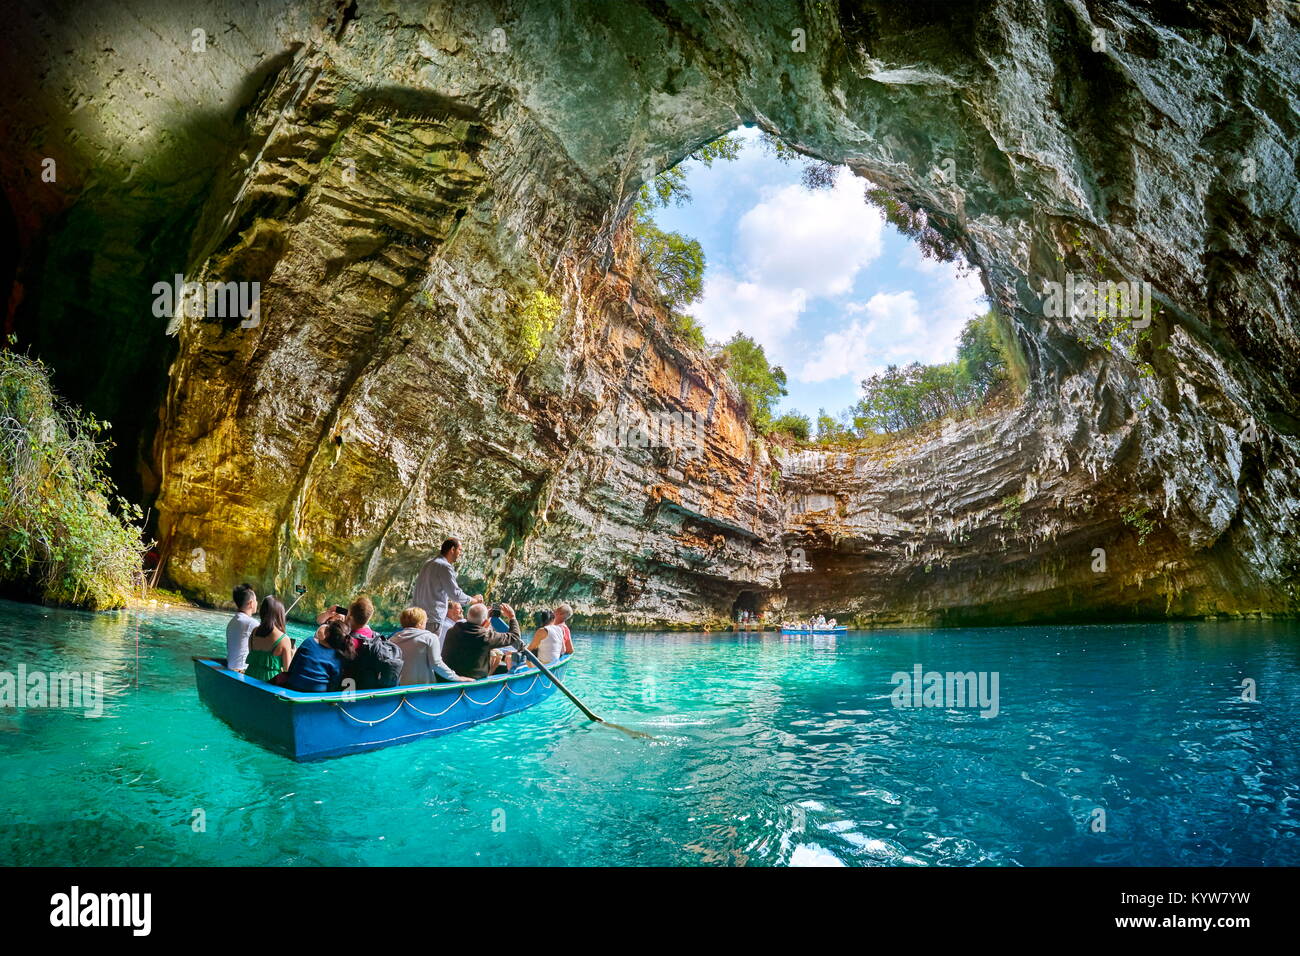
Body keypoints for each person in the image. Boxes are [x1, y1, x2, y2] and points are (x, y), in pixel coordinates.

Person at [388, 607, 472, 686]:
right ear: (420, 623)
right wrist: (457, 678)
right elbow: (437, 664)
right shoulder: (430, 638)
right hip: (424, 688)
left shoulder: (392, 639)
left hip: (399, 688)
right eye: (425, 620)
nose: (426, 622)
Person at [412, 538, 483, 625]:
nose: (460, 554)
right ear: (452, 549)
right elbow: (455, 594)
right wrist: (473, 600)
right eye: (459, 550)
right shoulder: (445, 567)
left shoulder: (428, 563)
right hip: (432, 619)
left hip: (418, 616)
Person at [442, 602, 520, 680]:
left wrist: (485, 619)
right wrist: (512, 617)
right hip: (471, 683)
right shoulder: (485, 637)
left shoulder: (452, 631)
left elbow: (475, 630)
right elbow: (514, 636)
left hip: (448, 679)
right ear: (485, 622)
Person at [283, 619, 355, 693]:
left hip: (292, 687)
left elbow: (291, 667)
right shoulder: (338, 657)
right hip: (317, 695)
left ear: (327, 633)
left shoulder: (309, 641)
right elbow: (333, 684)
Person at [245, 595, 294, 683]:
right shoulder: (284, 639)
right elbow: (287, 670)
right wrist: (292, 654)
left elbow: (253, 655)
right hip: (269, 683)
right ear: (280, 614)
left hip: (248, 678)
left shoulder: (254, 632)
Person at [225, 583, 258, 674]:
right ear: (251, 603)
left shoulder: (232, 621)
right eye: (256, 600)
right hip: (241, 670)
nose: (257, 603)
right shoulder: (251, 623)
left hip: (229, 667)